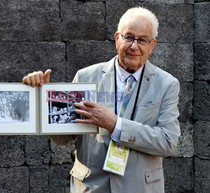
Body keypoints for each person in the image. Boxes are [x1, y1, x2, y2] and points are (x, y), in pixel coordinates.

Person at [22, 7, 180, 193]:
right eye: (128, 37)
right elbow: (63, 136)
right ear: (116, 38)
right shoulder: (86, 76)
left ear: (152, 45)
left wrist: (115, 124)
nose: (134, 46)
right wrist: (42, 100)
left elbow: (168, 141)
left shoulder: (166, 84)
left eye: (142, 40)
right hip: (90, 187)